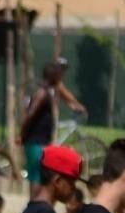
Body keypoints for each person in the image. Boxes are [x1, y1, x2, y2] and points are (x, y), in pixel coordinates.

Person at [21, 61, 86, 194]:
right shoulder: (42, 93)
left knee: (37, 175)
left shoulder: (46, 91)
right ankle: (33, 206)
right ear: (52, 76)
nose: (60, 78)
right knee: (37, 176)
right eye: (58, 75)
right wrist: (21, 133)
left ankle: (34, 205)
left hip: (39, 141)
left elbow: (67, 97)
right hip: (36, 141)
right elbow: (30, 114)